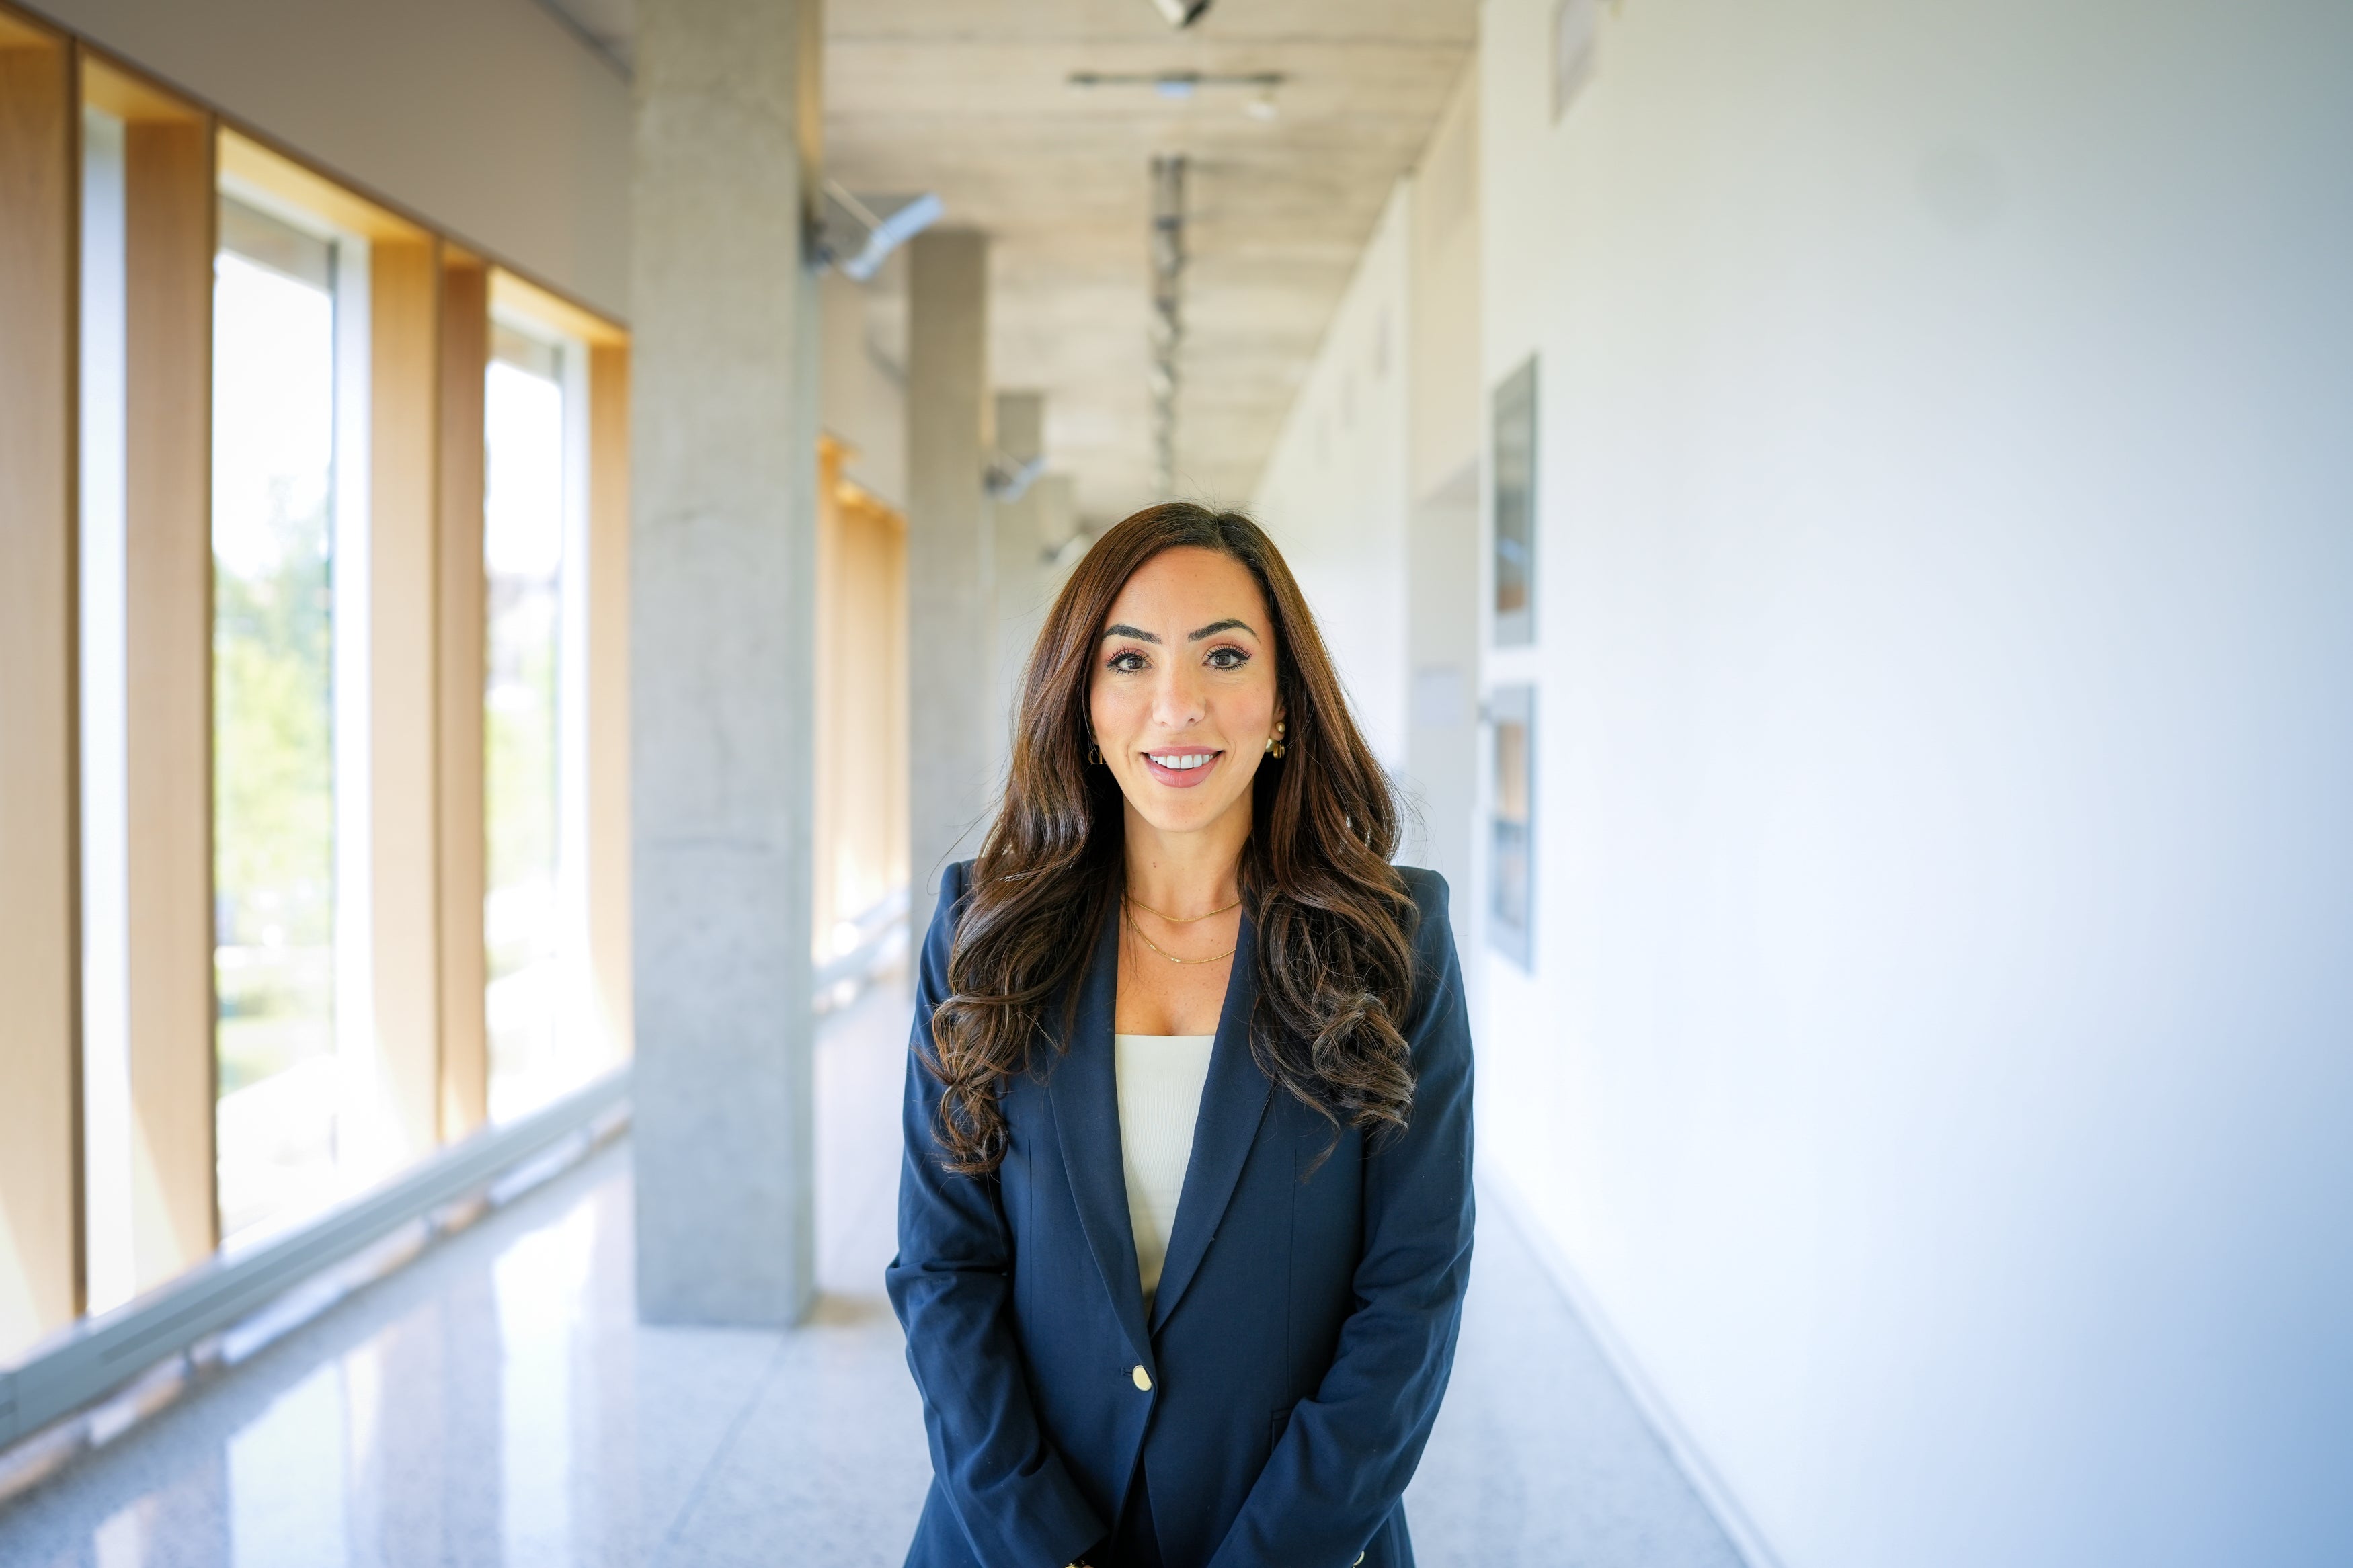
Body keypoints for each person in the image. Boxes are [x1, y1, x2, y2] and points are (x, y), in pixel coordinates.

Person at [887, 502, 1475, 1568]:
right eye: (1130, 659)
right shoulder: (983, 931)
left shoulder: (1395, 943)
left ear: (1283, 702)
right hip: (1014, 1540)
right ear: (1083, 701)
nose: (1178, 705)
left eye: (1225, 655)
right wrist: (1049, 1547)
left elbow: (1412, 1296)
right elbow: (944, 1270)